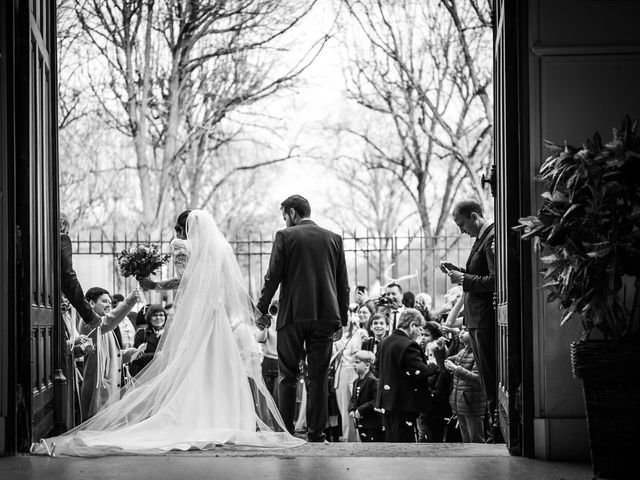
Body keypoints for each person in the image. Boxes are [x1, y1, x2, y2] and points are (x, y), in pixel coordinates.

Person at [32, 210, 302, 456]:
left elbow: (186, 280)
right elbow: (236, 289)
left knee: (190, 364)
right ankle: (222, 418)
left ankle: (193, 416)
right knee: (216, 366)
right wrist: (257, 314)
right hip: (215, 315)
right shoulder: (218, 250)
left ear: (183, 228)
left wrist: (154, 283)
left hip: (195, 312)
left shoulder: (182, 245)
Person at [255, 195, 350, 443]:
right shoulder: (334, 239)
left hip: (293, 315)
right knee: (318, 377)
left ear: (293, 213)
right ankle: (316, 434)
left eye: (285, 216)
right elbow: (343, 284)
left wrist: (262, 308)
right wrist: (343, 319)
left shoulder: (285, 236)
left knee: (288, 376)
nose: (285, 221)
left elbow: (272, 275)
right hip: (326, 317)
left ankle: (286, 432)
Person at [439, 199, 497, 440]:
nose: (461, 231)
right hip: (476, 319)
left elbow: (495, 281)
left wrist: (463, 280)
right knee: (487, 377)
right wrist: (460, 272)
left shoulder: (491, 238)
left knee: (490, 379)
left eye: (462, 224)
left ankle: (496, 431)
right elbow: (480, 275)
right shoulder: (480, 240)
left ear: (474, 217)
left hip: (484, 319)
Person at [78, 287, 143, 420]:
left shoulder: (102, 323)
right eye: (104, 301)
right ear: (91, 303)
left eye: (110, 302)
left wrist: (130, 353)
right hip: (100, 386)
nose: (108, 305)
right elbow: (110, 321)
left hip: (111, 385)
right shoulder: (89, 322)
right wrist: (132, 298)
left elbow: (111, 355)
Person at [375, 308, 438, 442]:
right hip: (404, 403)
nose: (420, 333)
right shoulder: (409, 345)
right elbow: (421, 371)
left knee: (391, 440)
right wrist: (434, 362)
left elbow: (376, 368)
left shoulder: (384, 342)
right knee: (404, 443)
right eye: (419, 328)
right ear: (412, 325)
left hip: (387, 401)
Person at [445, 327, 487, 443]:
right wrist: (440, 352)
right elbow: (446, 367)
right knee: (466, 440)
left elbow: (478, 379)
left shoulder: (477, 353)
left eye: (466, 330)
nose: (461, 332)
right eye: (461, 329)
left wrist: (455, 368)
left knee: (476, 440)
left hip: (472, 404)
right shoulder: (463, 351)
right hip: (461, 403)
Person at [348, 350, 382, 442]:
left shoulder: (373, 381)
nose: (354, 365)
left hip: (373, 423)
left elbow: (376, 400)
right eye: (354, 362)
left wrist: (360, 409)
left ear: (367, 365)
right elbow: (353, 398)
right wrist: (351, 409)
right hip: (361, 422)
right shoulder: (356, 381)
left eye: (357, 362)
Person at [129, 304, 167, 377]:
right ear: (149, 318)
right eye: (154, 315)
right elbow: (135, 357)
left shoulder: (169, 333)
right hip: (145, 376)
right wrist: (155, 356)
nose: (158, 318)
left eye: (161, 315)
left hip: (163, 375)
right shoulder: (142, 333)